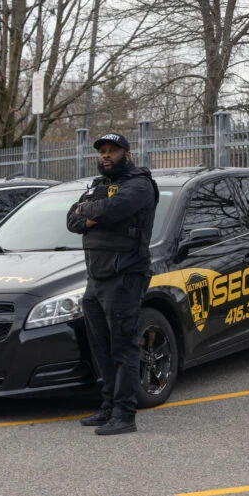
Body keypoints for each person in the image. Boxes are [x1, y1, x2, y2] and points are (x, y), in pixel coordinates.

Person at [66, 133, 158, 436]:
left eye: (113, 151)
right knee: (101, 348)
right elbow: (71, 220)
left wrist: (90, 212)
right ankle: (107, 406)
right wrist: (90, 214)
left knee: (122, 347)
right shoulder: (97, 185)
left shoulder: (140, 185)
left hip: (125, 275)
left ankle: (124, 414)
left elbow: (113, 210)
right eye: (102, 151)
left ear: (127, 155)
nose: (106, 156)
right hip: (96, 277)